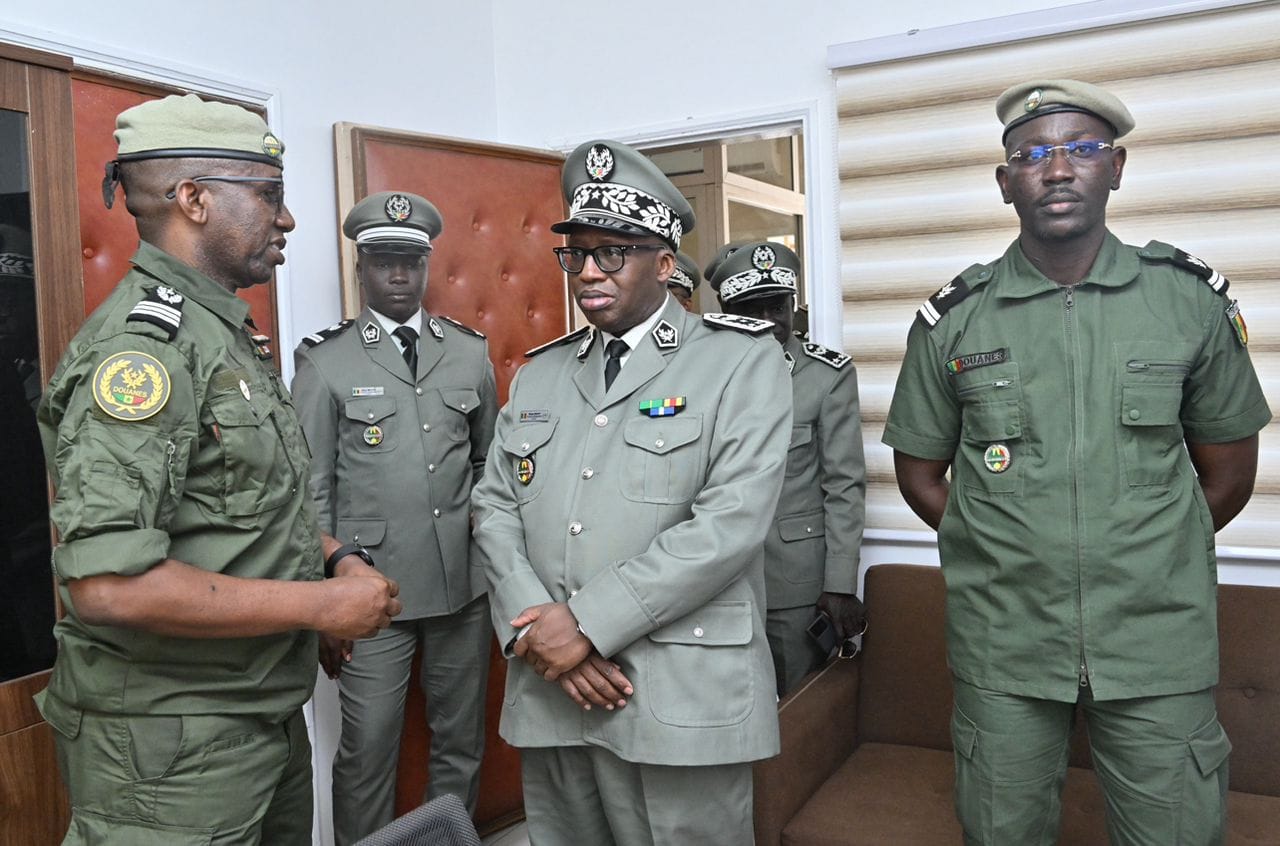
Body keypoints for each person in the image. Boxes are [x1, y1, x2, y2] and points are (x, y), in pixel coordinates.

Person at [883, 79, 1270, 845]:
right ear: (1006, 183)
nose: (1058, 170)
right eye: (1033, 155)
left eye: (1083, 150)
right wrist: (1012, 548)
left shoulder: (1187, 301)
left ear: (1116, 168)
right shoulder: (953, 319)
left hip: (1156, 641)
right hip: (1006, 643)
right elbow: (922, 477)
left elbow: (1226, 479)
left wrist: (1141, 551)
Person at [35, 93, 402, 845]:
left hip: (253, 712)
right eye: (268, 196)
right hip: (172, 750)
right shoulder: (144, 356)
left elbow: (242, 502)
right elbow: (107, 585)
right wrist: (316, 608)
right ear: (195, 200)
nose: (288, 219)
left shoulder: (222, 332)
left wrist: (335, 561)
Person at [471, 139, 791, 845]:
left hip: (678, 692)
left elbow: (729, 526)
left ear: (666, 264)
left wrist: (583, 627)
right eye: (576, 252)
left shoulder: (740, 363)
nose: (588, 271)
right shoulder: (542, 373)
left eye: (612, 251)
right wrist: (538, 630)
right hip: (554, 687)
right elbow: (494, 507)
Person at [292, 190, 498, 843]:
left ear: (427, 265)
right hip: (369, 596)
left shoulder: (467, 353)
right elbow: (308, 493)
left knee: (460, 745)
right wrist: (324, 598)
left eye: (411, 261)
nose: (400, 275)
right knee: (367, 752)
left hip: (462, 590)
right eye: (384, 261)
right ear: (362, 269)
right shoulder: (326, 362)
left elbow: (489, 460)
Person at [710, 241, 866, 696]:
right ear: (725, 310)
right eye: (752, 309)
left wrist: (839, 583)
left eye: (778, 306)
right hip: (712, 577)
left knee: (799, 712)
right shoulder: (697, 375)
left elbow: (845, 485)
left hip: (792, 581)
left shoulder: (826, 376)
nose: (769, 322)